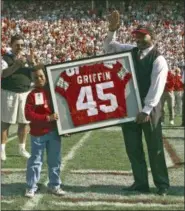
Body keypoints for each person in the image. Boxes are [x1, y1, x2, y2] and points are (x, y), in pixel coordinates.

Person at [104, 10, 170, 196]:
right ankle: (140, 182)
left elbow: (156, 87)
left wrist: (147, 109)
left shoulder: (158, 59)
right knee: (133, 147)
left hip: (150, 108)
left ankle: (162, 184)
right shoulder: (131, 50)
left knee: (154, 147)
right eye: (137, 36)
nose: (139, 39)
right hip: (130, 107)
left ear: (152, 36)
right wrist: (112, 30)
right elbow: (109, 48)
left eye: (142, 35)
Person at [24, 64, 65, 198]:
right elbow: (28, 115)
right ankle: (31, 187)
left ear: (46, 77)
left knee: (55, 160)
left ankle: (54, 185)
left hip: (54, 132)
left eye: (41, 76)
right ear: (32, 79)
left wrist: (65, 127)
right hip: (38, 134)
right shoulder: (31, 95)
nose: (39, 79)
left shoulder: (53, 92)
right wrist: (47, 118)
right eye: (36, 77)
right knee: (35, 161)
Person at [1, 34, 36, 161]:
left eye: (22, 45)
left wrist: (32, 62)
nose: (20, 47)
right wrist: (16, 65)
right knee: (6, 122)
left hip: (25, 93)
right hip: (9, 92)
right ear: (11, 45)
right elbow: (3, 74)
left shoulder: (27, 58)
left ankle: (22, 148)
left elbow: (33, 77)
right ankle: (2, 149)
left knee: (24, 122)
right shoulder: (5, 58)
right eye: (17, 45)